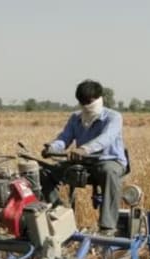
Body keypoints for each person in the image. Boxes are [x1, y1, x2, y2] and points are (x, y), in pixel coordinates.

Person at [42, 79, 128, 236]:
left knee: (108, 171)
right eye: (83, 102)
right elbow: (64, 138)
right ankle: (58, 214)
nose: (86, 106)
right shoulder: (75, 118)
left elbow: (106, 138)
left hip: (110, 160)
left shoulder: (113, 117)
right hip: (83, 164)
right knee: (46, 172)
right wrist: (52, 147)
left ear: (99, 98)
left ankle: (107, 227)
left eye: (89, 101)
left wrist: (84, 149)